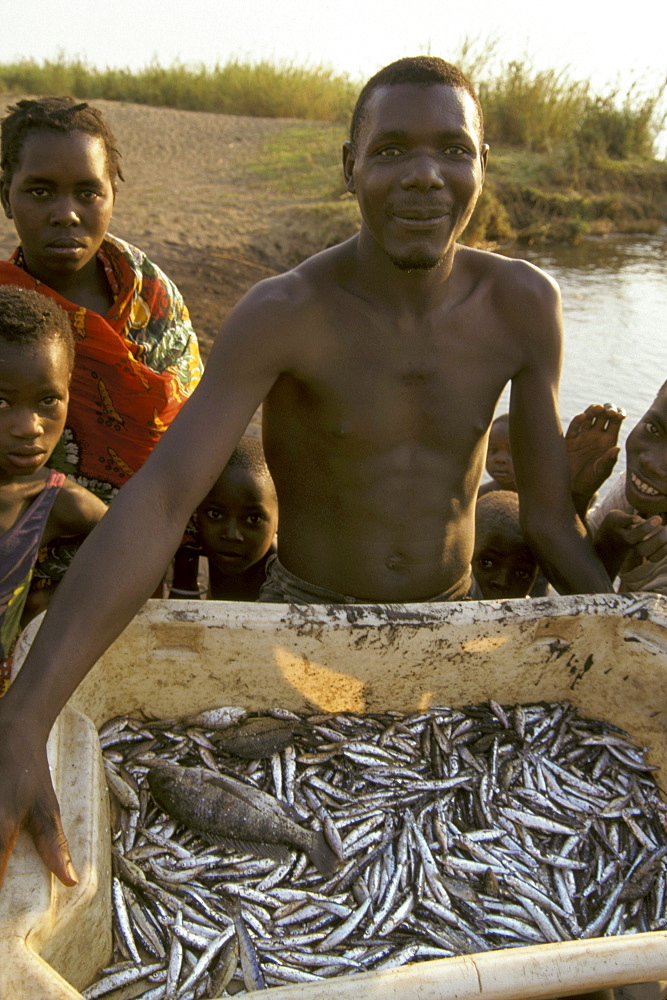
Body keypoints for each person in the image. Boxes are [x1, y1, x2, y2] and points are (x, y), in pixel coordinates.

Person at [0, 56, 612, 889]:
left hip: (450, 619)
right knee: (306, 868)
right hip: (298, 623)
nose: (425, 176)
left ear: (481, 163)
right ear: (350, 167)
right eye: (392, 150)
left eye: (452, 151)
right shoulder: (284, 312)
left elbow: (545, 519)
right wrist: (24, 715)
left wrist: (627, 627)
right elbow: (163, 497)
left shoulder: (523, 305)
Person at [0, 97, 202, 504]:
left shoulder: (154, 298)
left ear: (112, 195)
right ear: (6, 197)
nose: (66, 214)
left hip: (147, 538)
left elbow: (194, 435)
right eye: (40, 191)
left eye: (88, 193)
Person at [0, 286, 106, 694]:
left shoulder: (56, 503)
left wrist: (51, 606)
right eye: (2, 403)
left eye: (47, 400)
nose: (30, 427)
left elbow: (136, 555)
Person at [170, 436, 278, 601]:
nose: (231, 534)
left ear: (280, 519)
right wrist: (184, 565)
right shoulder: (191, 540)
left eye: (253, 519)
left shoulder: (287, 572)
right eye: (215, 514)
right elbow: (181, 609)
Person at [582, 385, 667, 592]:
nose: (650, 463)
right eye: (653, 429)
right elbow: (570, 562)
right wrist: (578, 494)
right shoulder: (642, 491)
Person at [472, 491, 538, 599]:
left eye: (521, 573)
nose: (502, 582)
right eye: (486, 563)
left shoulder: (540, 614)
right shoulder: (440, 607)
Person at [478, 412, 516, 496]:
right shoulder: (480, 496)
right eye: (493, 450)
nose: (500, 459)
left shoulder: (542, 497)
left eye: (512, 452)